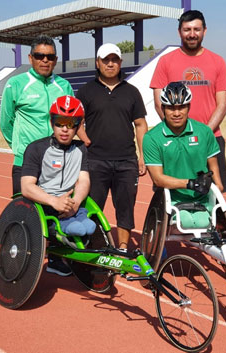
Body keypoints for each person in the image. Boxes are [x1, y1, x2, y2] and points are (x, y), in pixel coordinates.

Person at [76, 43, 148, 252]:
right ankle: (94, 246)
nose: (110, 64)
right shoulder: (86, 91)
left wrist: (142, 156)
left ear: (120, 62)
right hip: (95, 161)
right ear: (97, 63)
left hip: (126, 160)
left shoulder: (131, 92)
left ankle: (123, 247)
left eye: (114, 60)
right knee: (92, 207)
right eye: (105, 60)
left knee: (125, 208)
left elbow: (141, 124)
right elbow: (76, 121)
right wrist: (86, 141)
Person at [150, 10, 226, 192]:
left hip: (211, 139)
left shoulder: (218, 62)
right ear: (179, 32)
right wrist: (180, 134)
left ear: (205, 31)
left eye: (197, 29)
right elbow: (158, 103)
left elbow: (222, 104)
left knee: (214, 194)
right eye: (187, 29)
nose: (192, 34)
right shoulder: (165, 62)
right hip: (173, 141)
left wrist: (203, 135)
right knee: (170, 194)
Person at [21, 95, 94, 276]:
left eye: (71, 124)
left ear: (78, 126)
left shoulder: (80, 149)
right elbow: (26, 186)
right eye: (60, 122)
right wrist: (54, 201)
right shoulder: (36, 148)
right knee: (65, 222)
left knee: (88, 224)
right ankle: (55, 248)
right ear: (52, 122)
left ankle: (69, 245)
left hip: (71, 204)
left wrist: (75, 202)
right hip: (45, 204)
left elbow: (84, 180)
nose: (64, 129)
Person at [0, 34, 74, 195]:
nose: (45, 60)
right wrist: (21, 149)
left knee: (58, 214)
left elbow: (72, 121)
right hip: (25, 163)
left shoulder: (64, 86)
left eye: (50, 56)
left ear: (55, 59)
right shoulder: (16, 84)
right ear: (31, 58)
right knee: (24, 215)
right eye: (40, 56)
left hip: (58, 162)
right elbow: (6, 123)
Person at [143, 82, 223, 228]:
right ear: (163, 108)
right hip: (171, 199)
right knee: (185, 221)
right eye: (171, 108)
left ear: (189, 107)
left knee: (203, 222)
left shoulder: (204, 132)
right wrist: (190, 183)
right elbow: (158, 179)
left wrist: (218, 188)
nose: (177, 113)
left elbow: (213, 165)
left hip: (202, 198)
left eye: (181, 107)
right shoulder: (151, 138)